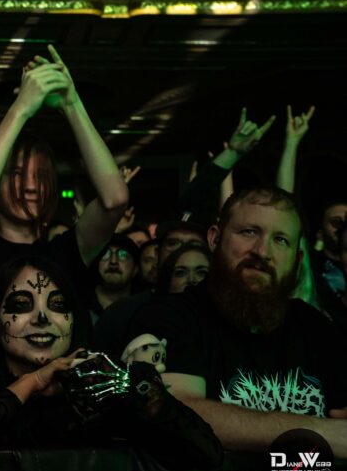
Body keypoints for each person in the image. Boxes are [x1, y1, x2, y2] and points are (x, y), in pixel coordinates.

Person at [0, 255, 221, 471]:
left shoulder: (101, 398)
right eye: (21, 305)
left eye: (57, 305)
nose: (42, 318)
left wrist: (133, 385)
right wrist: (33, 382)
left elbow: (208, 452)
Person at [123, 187, 347, 457]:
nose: (263, 251)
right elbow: (177, 413)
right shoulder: (170, 315)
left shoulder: (316, 328)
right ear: (215, 239)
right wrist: (318, 432)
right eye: (249, 232)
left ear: (297, 261)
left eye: (281, 240)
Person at [0, 45, 128, 375]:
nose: (30, 186)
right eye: (17, 175)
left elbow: (114, 199)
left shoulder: (68, 250)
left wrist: (73, 105)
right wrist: (20, 110)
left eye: (41, 176)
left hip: (65, 412)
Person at [91, 234, 139, 322]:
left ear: (135, 269)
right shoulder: (79, 302)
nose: (113, 261)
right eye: (105, 254)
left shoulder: (143, 308)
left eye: (123, 255)